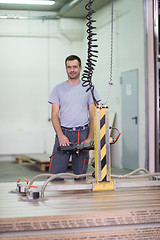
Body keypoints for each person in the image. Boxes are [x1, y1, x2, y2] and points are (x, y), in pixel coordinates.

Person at [48, 55, 99, 180]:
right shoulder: (58, 89)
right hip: (63, 133)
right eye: (69, 67)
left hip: (82, 134)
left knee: (80, 175)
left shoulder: (89, 88)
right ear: (66, 69)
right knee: (55, 176)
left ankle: (79, 198)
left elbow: (93, 114)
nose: (72, 70)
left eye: (75, 67)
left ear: (80, 68)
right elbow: (54, 115)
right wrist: (60, 135)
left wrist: (90, 138)